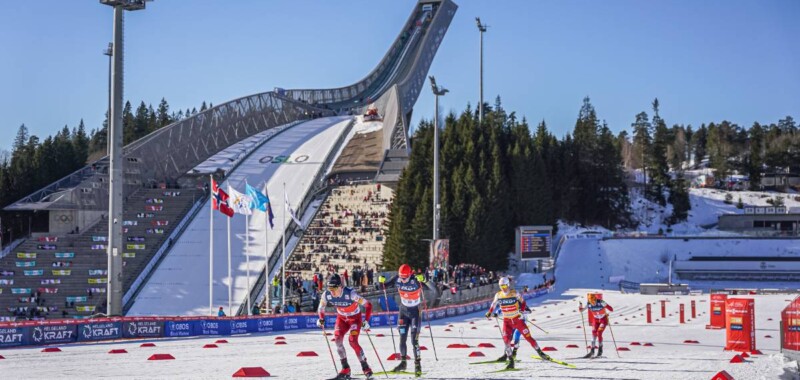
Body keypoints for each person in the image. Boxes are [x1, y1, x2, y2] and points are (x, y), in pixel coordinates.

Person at [317, 274, 374, 379]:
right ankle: (345, 369)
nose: (332, 292)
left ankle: (366, 368)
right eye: (329, 289)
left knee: (352, 341)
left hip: (354, 319)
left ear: (340, 287)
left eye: (334, 289)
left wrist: (366, 321)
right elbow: (321, 307)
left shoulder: (351, 294)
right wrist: (321, 318)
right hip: (342, 319)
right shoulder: (326, 294)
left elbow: (368, 305)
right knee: (337, 340)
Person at [485, 276, 549, 370]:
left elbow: (523, 303)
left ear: (508, 285)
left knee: (528, 338)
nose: (503, 288)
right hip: (507, 322)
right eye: (501, 286)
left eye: (505, 286)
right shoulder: (498, 295)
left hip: (518, 320)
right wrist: (490, 312)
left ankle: (541, 353)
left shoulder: (514, 293)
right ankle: (511, 361)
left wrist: (521, 311)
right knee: (506, 341)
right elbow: (494, 305)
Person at [379, 264, 432, 376]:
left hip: (415, 312)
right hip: (403, 311)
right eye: (401, 277)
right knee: (402, 338)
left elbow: (428, 285)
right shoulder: (397, 279)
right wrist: (381, 281)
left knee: (414, 340)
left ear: (409, 275)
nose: (402, 280)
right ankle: (403, 363)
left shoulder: (415, 280)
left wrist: (424, 278)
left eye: (405, 278)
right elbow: (383, 286)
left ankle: (418, 365)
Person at [579, 293, 614, 358]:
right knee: (594, 333)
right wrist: (580, 306)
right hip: (595, 320)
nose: (593, 303)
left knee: (599, 332)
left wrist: (606, 306)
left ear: (595, 299)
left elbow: (611, 309)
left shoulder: (601, 302)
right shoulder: (589, 304)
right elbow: (581, 311)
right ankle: (592, 351)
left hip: (603, 319)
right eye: (591, 302)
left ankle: (600, 350)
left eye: (594, 301)